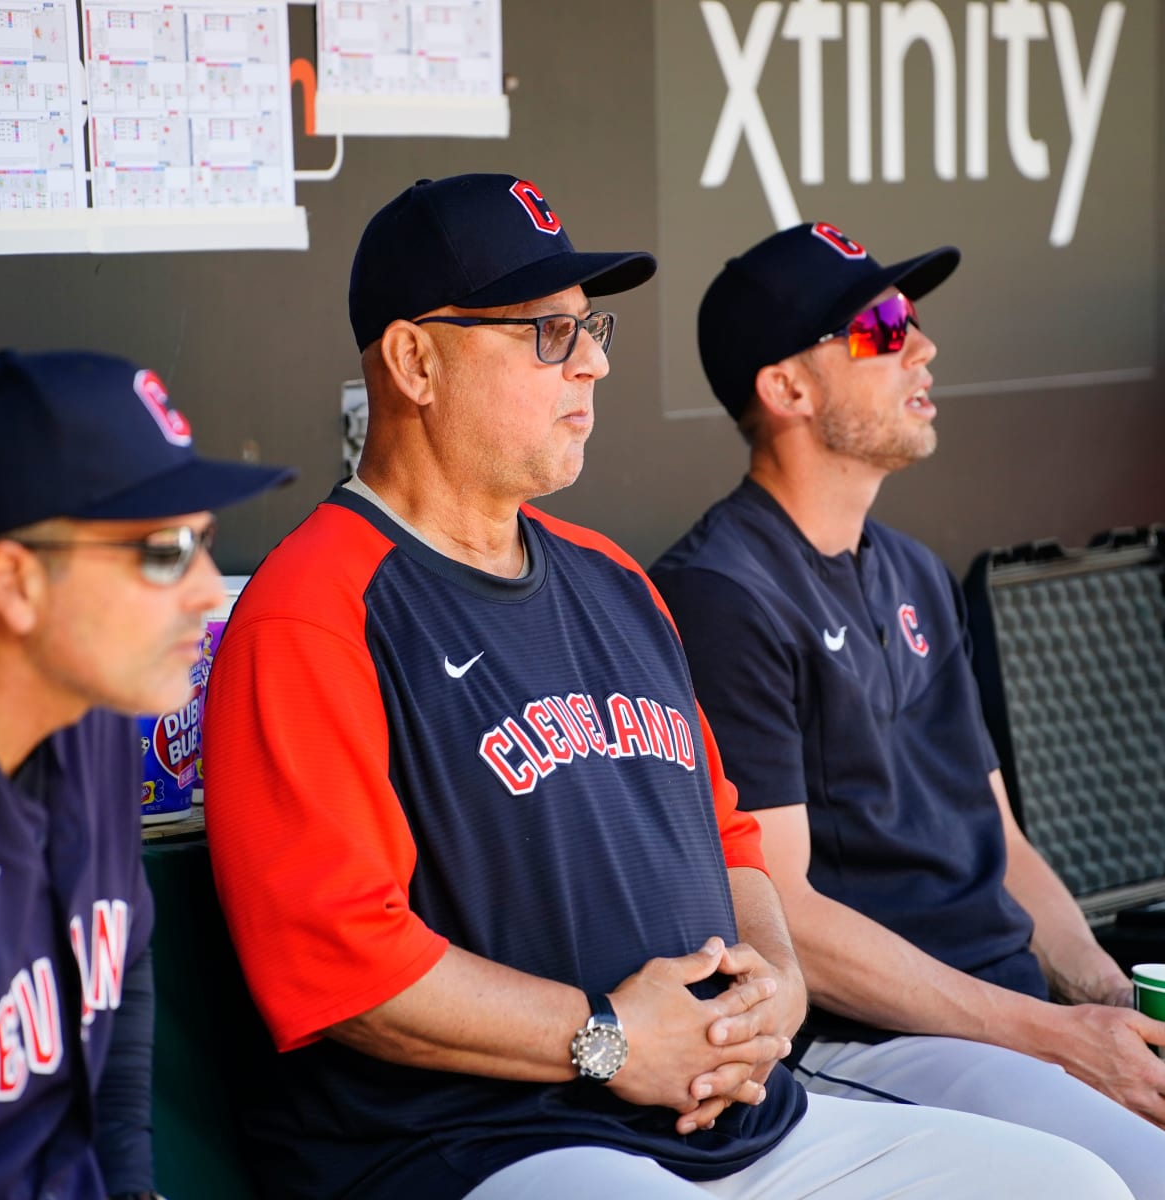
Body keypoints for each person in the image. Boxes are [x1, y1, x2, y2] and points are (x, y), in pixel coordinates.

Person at [201, 175, 1133, 1200]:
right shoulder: (315, 608)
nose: (594, 361)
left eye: (588, 328)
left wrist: (772, 987)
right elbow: (344, 973)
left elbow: (731, 848)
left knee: (1074, 1184)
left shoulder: (615, 580)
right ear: (417, 360)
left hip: (732, 1116)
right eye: (547, 335)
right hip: (488, 1142)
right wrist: (604, 1039)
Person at [649, 220, 1165, 1199]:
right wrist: (1058, 1036)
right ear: (788, 388)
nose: (920, 345)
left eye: (914, 319)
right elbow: (786, 913)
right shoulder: (722, 594)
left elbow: (1001, 843)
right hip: (869, 1046)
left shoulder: (915, 569)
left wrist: (1112, 999)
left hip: (1010, 1017)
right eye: (881, 326)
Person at [0, 349, 294, 1199]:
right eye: (159, 552)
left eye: (203, 545)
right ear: (16, 583)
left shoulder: (95, 727)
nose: (201, 590)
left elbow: (124, 964)